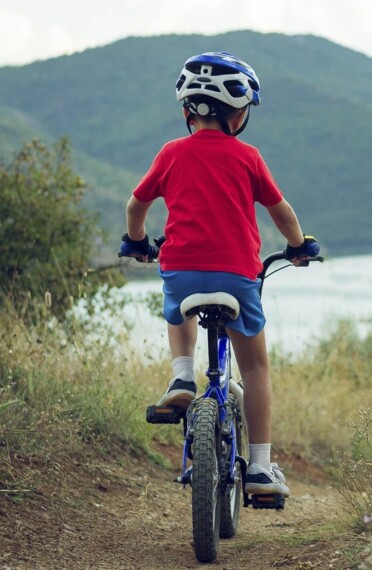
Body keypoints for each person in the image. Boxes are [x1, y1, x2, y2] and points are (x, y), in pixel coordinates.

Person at [120, 51, 319, 499]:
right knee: (255, 365)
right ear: (240, 111)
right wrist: (298, 246)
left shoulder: (171, 153)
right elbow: (280, 211)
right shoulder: (248, 157)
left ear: (187, 109)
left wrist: (137, 242)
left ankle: (183, 376)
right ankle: (262, 469)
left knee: (177, 307)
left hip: (182, 271)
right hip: (237, 277)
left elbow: (137, 206)